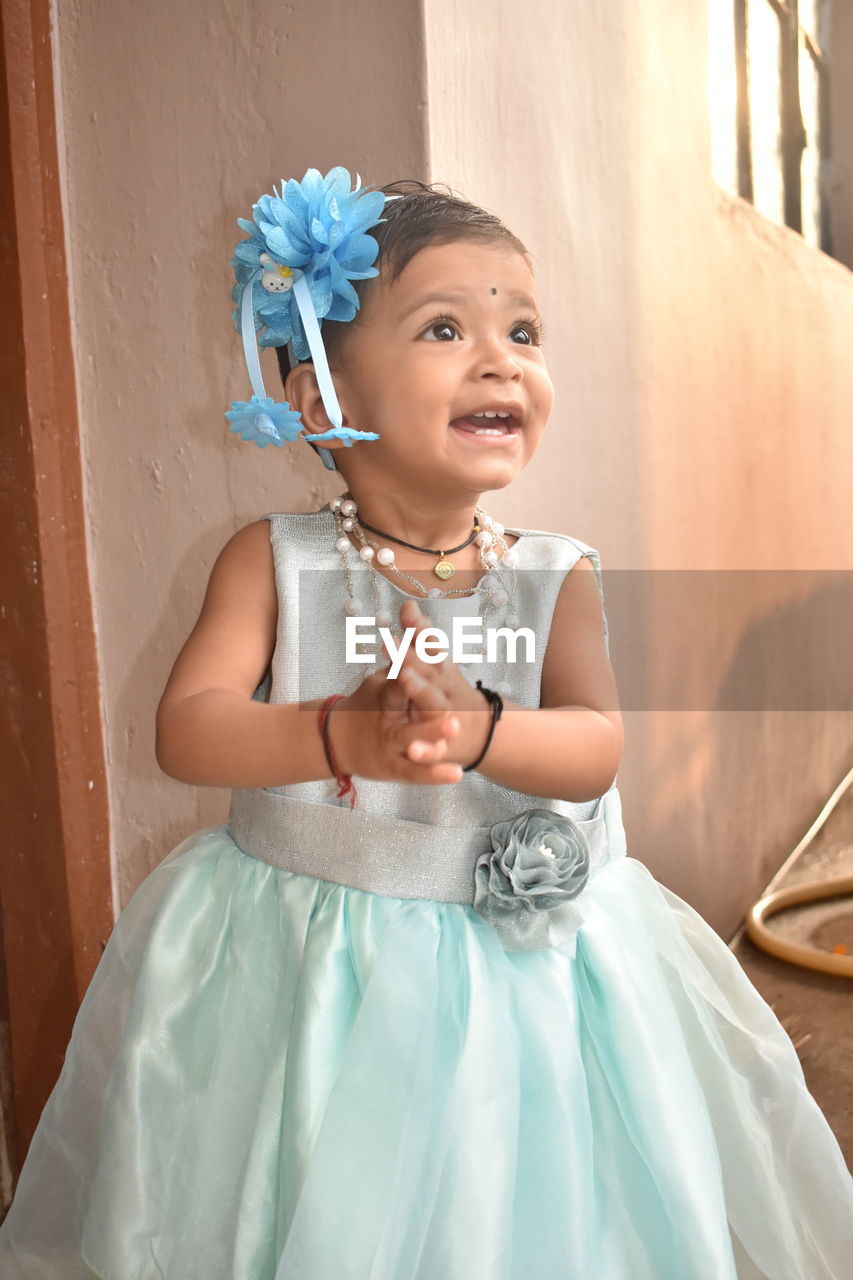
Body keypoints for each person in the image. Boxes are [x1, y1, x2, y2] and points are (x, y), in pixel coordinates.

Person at [1, 166, 851, 1280]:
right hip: (318, 971)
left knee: (523, 1207)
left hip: (532, 986)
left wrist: (486, 728)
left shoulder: (556, 575)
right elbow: (189, 728)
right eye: (445, 327)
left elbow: (597, 743)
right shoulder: (273, 562)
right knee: (318, 1199)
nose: (502, 358)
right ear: (318, 399)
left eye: (524, 330)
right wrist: (337, 738)